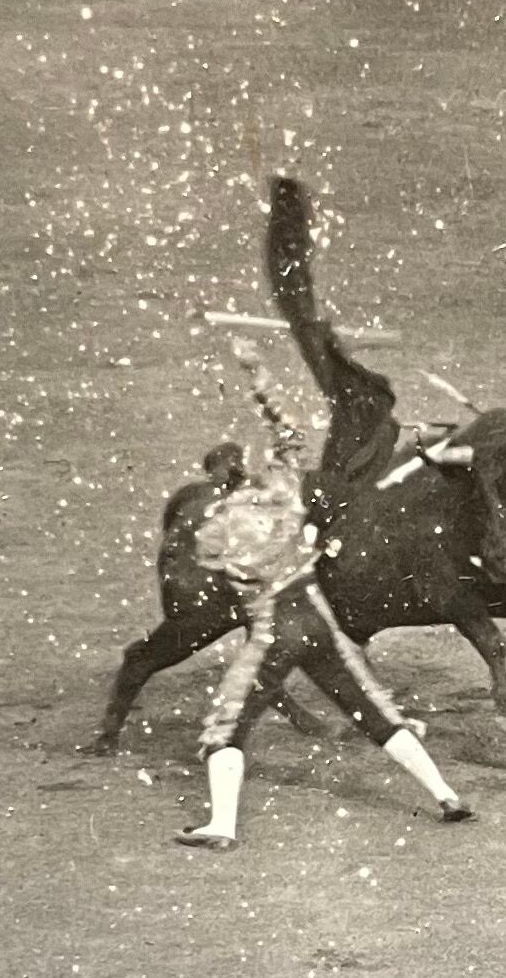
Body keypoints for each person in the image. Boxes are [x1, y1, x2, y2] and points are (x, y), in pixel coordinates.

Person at [175, 343, 471, 849]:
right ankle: (447, 795)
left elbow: (213, 568)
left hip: (272, 630)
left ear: (216, 483)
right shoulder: (284, 488)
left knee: (227, 725)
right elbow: (288, 432)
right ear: (246, 468)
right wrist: (257, 374)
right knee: (376, 711)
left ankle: (222, 825)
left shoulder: (216, 526)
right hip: (317, 619)